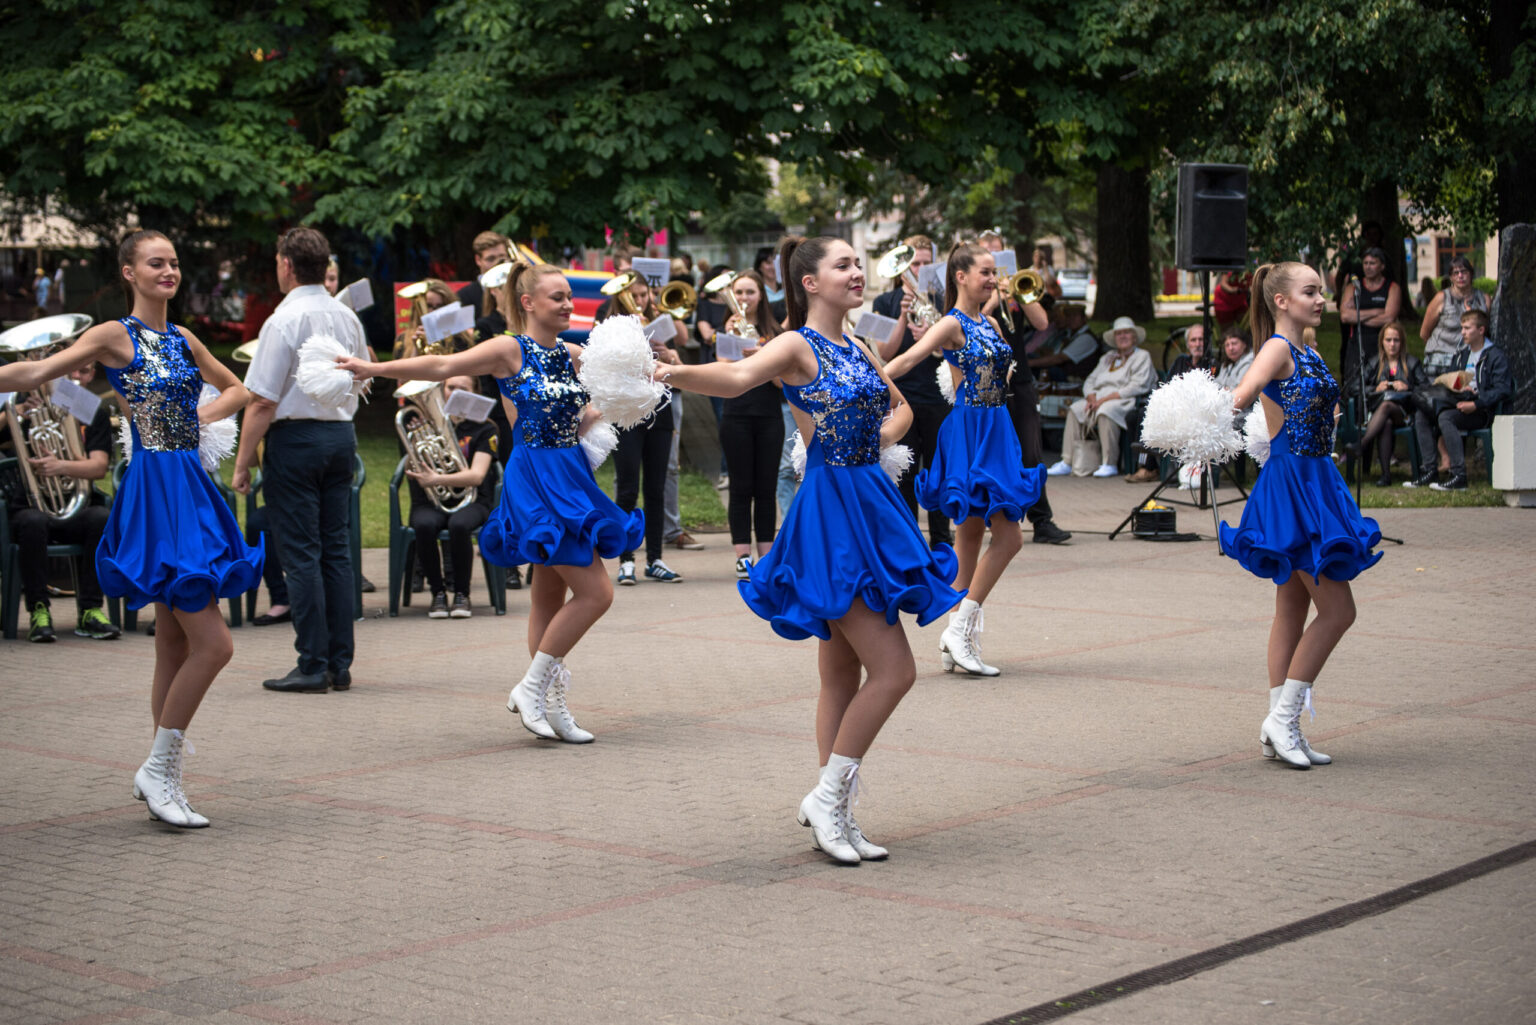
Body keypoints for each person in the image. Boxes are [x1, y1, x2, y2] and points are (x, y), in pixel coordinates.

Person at [653, 235, 963, 864]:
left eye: (857, 262)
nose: (856, 273)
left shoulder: (859, 345)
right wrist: (668, 371)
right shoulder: (798, 344)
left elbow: (900, 408)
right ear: (810, 282)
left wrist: (877, 434)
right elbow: (739, 377)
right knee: (896, 670)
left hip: (870, 501)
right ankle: (827, 797)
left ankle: (835, 810)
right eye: (843, 265)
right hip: (830, 516)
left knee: (841, 672)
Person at [0, 229, 262, 826]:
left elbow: (239, 389)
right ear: (128, 272)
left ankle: (161, 777)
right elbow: (33, 372)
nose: (168, 271)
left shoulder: (184, 337)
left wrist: (204, 414)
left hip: (189, 487)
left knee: (174, 641)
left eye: (174, 262)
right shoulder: (116, 335)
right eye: (155, 262)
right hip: (153, 489)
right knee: (214, 645)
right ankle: (158, 770)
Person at [338, 262, 643, 744]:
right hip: (536, 477)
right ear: (528, 303)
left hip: (571, 474)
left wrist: (642, 386)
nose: (568, 304)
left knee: (548, 592)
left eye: (569, 296)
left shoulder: (572, 354)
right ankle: (531, 687)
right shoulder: (509, 349)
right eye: (557, 297)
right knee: (596, 593)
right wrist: (375, 368)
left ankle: (548, 702)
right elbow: (442, 367)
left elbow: (588, 410)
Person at [1220, 262, 1381, 770]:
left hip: (1315, 481)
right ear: (1281, 301)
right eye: (1310, 291)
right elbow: (1243, 395)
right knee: (1339, 611)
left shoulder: (1307, 351)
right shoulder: (1277, 348)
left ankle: (1277, 725)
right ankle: (1283, 719)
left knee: (1291, 606)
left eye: (1321, 290)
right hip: (1294, 487)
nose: (1322, 298)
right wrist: (1206, 417)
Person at [884, 242, 1045, 676]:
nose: (994, 279)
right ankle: (961, 628)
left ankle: (956, 632)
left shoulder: (989, 320)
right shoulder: (950, 324)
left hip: (996, 427)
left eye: (994, 273)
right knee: (1010, 539)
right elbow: (908, 359)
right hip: (971, 428)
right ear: (961, 276)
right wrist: (869, 381)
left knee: (971, 534)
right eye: (986, 272)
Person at [233, 227, 369, 694]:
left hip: (296, 440)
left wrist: (242, 461)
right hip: (341, 436)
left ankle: (311, 663)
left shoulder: (282, 320)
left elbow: (262, 401)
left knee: (303, 555)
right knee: (336, 549)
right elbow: (363, 377)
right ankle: (340, 663)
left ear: (287, 265)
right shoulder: (347, 316)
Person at [1, 362, 121, 642]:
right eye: (72, 371)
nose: (77, 377)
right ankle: (39, 611)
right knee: (33, 523)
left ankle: (91, 610)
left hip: (75, 503)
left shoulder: (92, 412)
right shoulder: (22, 405)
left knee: (101, 517)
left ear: (93, 375)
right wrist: (13, 415)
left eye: (85, 371)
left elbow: (98, 468)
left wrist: (60, 466)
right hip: (30, 506)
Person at [595, 274, 685, 584]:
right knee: (628, 487)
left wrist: (666, 352)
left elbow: (675, 366)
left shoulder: (658, 324)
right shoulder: (610, 329)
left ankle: (656, 558)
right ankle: (626, 559)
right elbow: (604, 370)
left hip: (659, 412)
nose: (640, 299)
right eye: (633, 294)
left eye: (644, 294)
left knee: (656, 489)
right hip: (627, 414)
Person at [872, 234, 952, 549]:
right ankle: (909, 540)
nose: (916, 269)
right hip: (901, 397)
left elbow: (953, 351)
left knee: (937, 470)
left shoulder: (945, 300)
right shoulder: (884, 303)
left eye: (922, 262)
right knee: (904, 471)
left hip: (937, 397)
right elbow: (886, 353)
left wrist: (931, 334)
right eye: (912, 263)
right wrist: (904, 316)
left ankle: (942, 539)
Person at [405, 376, 497, 618]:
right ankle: (437, 593)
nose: (455, 393)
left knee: (458, 525)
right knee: (424, 525)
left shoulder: (485, 429)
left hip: (473, 500)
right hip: (430, 501)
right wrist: (415, 439)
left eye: (463, 389)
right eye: (450, 387)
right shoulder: (423, 427)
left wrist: (438, 479)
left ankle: (461, 594)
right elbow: (413, 466)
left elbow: (477, 476)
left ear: (474, 393)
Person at [715, 271, 784, 578]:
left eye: (750, 292)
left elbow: (783, 383)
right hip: (736, 414)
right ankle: (743, 556)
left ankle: (766, 557)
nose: (743, 299)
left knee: (766, 488)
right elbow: (722, 373)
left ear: (761, 296)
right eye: (738, 292)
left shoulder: (776, 332)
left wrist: (763, 354)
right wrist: (730, 338)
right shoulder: (727, 330)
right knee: (741, 488)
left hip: (769, 416)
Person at [1405, 309, 1512, 491]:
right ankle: (1430, 470)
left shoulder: (1494, 356)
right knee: (1421, 414)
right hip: (1458, 402)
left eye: (1467, 328)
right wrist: (1459, 387)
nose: (1462, 332)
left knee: (1446, 417)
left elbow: (1502, 389)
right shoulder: (1462, 354)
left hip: (1481, 410)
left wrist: (1476, 403)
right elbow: (1451, 379)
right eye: (1461, 328)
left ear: (1481, 330)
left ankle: (1459, 476)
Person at [1047, 316, 1157, 478]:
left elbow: (1137, 386)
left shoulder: (1142, 356)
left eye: (1127, 333)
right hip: (1099, 399)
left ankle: (1109, 463)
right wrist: (1091, 398)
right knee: (1075, 409)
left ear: (1134, 337)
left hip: (1125, 400)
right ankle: (1067, 461)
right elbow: (1090, 380)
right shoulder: (1108, 357)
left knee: (1106, 411)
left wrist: (1102, 401)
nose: (1123, 336)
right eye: (1119, 334)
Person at [1357, 323, 1427, 486]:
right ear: (1382, 342)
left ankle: (1363, 443)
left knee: (1387, 405)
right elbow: (1355, 387)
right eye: (1388, 340)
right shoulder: (1374, 363)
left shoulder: (1412, 363)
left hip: (1405, 413)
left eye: (1396, 340)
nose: (1392, 344)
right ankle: (1385, 475)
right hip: (1381, 416)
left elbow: (1425, 388)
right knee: (1386, 422)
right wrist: (1375, 388)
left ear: (1402, 342)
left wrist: (1408, 387)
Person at [1337, 247, 1402, 395]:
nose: (1368, 267)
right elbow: (1345, 316)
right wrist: (1376, 311)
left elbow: (1389, 317)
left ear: (1382, 266)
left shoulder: (1392, 288)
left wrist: (1357, 316)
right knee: (1354, 385)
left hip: (1383, 344)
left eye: (1372, 263)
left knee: (1381, 383)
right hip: (1357, 344)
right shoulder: (1354, 287)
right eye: (1365, 263)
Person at [1418, 256, 1490, 376]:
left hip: (1472, 360)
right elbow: (1424, 333)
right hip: (1441, 361)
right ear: (1451, 277)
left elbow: (1487, 331)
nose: (1460, 276)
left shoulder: (1484, 299)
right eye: (1455, 273)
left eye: (1464, 272)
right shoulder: (1441, 298)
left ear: (1471, 274)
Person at [1027, 302, 1100, 380]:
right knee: (1030, 357)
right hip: (1062, 371)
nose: (1071, 319)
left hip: (1074, 378)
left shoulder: (1086, 338)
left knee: (1033, 365)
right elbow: (1052, 353)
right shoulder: (1070, 334)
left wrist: (1030, 363)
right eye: (1069, 316)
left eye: (1075, 316)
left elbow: (1059, 358)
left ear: (1084, 318)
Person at [456, 231, 511, 317]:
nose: (498, 263)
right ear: (478, 260)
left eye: (502, 257)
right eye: (491, 259)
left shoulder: (517, 290)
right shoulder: (464, 296)